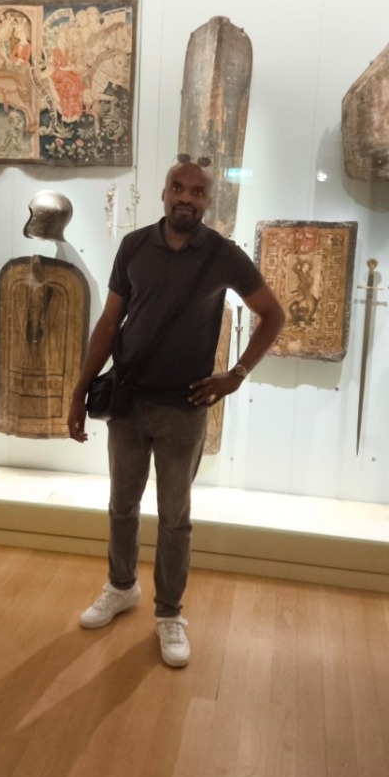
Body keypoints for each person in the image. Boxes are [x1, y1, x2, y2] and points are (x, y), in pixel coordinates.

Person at [67, 156, 284, 668]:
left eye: (197, 192)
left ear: (208, 200)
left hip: (184, 408)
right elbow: (109, 322)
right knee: (122, 505)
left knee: (174, 517)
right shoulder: (134, 246)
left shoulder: (224, 256)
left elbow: (272, 315)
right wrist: (79, 390)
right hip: (128, 400)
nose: (186, 197)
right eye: (178, 188)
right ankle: (122, 586)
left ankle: (169, 612)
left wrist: (237, 374)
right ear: (164, 193)